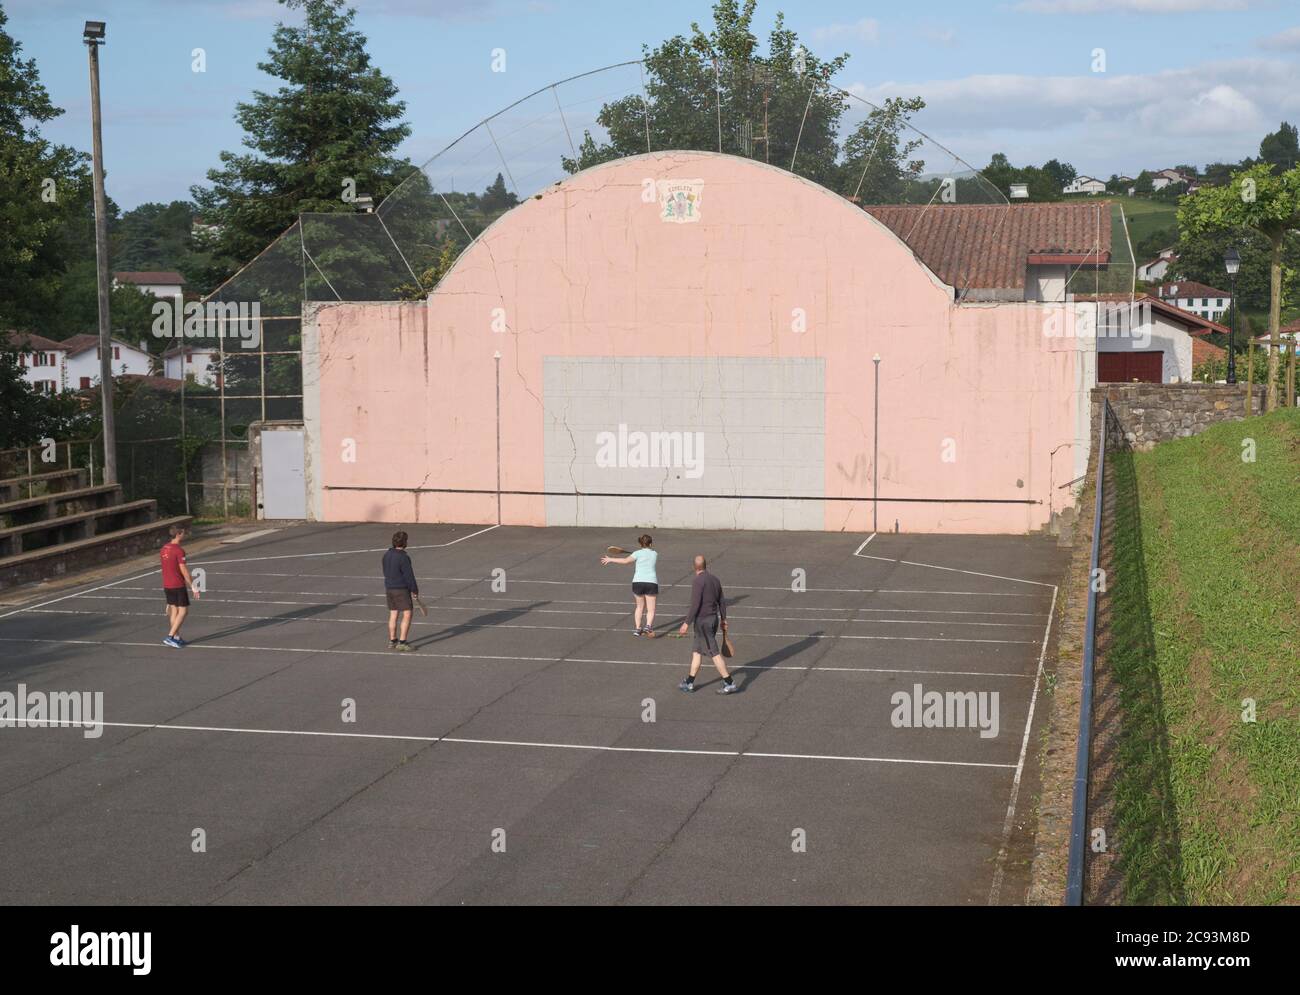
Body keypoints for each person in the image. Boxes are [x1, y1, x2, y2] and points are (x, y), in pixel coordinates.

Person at [677, 555, 737, 694]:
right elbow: (721, 601)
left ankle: (729, 683)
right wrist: (723, 619)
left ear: (694, 567)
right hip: (713, 619)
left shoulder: (698, 581)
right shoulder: (715, 579)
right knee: (697, 651)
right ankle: (689, 682)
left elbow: (695, 604)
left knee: (714, 653)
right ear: (705, 565)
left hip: (703, 623)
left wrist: (686, 623)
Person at [601, 534, 658, 636]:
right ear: (651, 543)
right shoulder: (655, 554)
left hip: (637, 583)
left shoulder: (636, 553)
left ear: (640, 543)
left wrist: (610, 559)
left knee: (639, 607)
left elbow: (625, 561)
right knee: (651, 609)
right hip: (651, 583)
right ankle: (648, 626)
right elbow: (647, 554)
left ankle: (637, 629)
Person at [160, 523, 199, 648]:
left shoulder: (164, 548)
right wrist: (193, 586)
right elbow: (184, 570)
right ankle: (170, 636)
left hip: (167, 584)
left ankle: (176, 637)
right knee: (183, 611)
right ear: (178, 534)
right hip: (177, 584)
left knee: (174, 611)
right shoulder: (179, 550)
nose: (184, 535)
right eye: (183, 533)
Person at [382, 530, 419, 652]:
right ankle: (402, 642)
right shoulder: (403, 557)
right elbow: (409, 576)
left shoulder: (386, 555)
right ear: (404, 543)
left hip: (389, 588)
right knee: (407, 613)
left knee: (393, 614)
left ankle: (392, 641)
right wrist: (414, 590)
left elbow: (385, 571)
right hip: (401, 590)